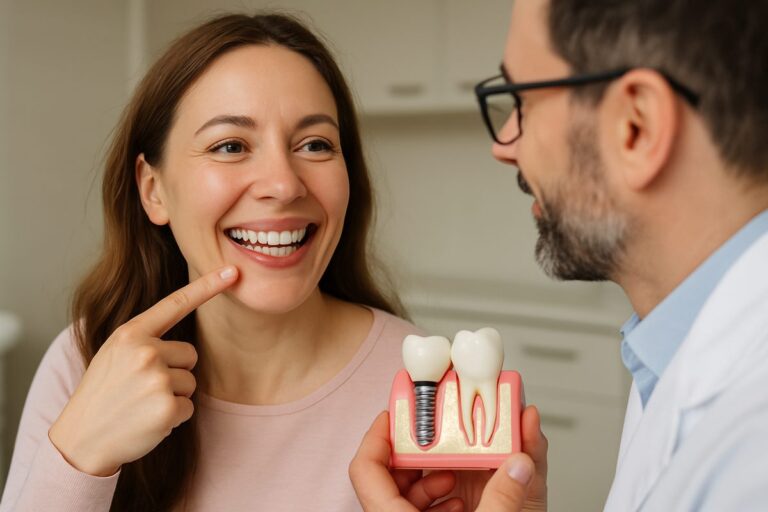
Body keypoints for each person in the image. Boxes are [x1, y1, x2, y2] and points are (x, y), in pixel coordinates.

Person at [1, 12, 429, 512]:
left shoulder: (426, 380)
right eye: (231, 146)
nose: (284, 184)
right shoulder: (84, 361)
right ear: (153, 190)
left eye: (315, 145)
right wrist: (80, 457)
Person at [351, 0, 768, 510]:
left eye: (521, 100)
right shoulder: (672, 353)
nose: (504, 144)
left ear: (636, 126)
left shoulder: (752, 451)